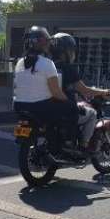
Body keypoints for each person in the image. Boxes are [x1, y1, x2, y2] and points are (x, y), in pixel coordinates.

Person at [13, 27, 78, 156]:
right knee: (72, 108)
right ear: (43, 43)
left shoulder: (19, 63)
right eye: (47, 42)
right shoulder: (47, 64)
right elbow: (56, 93)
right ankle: (67, 144)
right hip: (40, 107)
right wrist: (69, 101)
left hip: (19, 106)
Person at [49, 32, 110, 154]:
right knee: (92, 113)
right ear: (65, 52)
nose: (73, 54)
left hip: (49, 108)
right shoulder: (68, 68)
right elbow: (84, 90)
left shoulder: (47, 66)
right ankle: (83, 145)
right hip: (65, 109)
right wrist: (103, 92)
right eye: (71, 51)